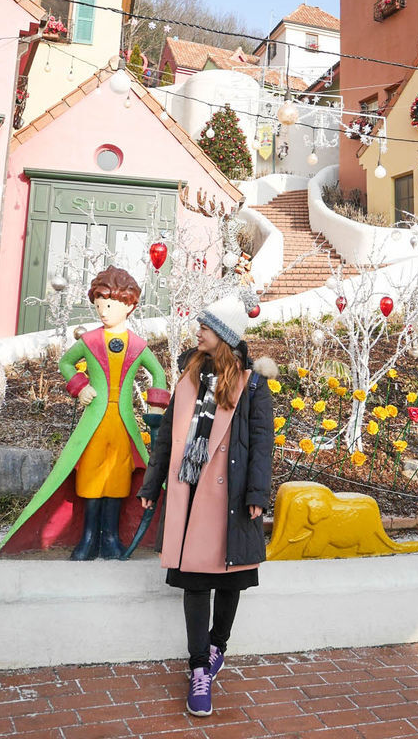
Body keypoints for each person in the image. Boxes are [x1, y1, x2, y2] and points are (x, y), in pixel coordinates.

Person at [138, 294, 274, 717]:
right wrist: (151, 482)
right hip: (189, 490)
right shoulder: (188, 378)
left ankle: (218, 645)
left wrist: (256, 494)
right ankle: (199, 667)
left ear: (226, 336)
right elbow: (167, 439)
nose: (198, 331)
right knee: (196, 582)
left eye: (206, 327)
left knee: (230, 579)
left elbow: (261, 445)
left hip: (231, 498)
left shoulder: (252, 385)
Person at [0, 266, 169, 559]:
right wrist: (80, 385)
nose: (103, 311)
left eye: (110, 305)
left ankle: (111, 537)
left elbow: (158, 374)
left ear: (129, 305)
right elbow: (65, 363)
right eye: (99, 305)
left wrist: (155, 408)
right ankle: (88, 537)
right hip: (93, 425)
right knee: (89, 477)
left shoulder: (138, 346)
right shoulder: (89, 341)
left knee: (117, 480)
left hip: (122, 426)